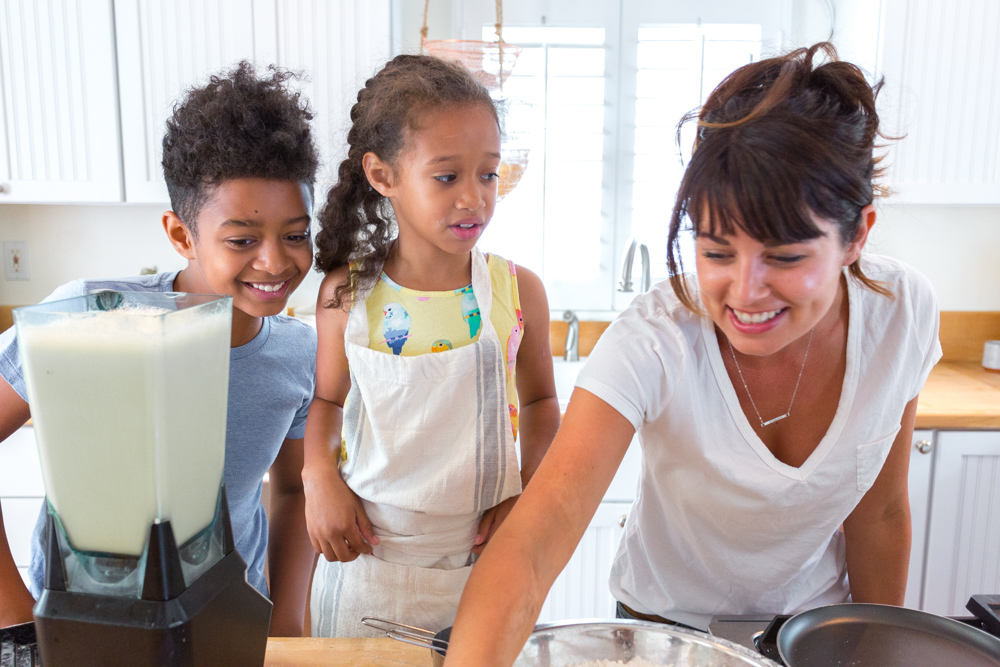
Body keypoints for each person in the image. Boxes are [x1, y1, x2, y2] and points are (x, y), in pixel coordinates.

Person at [442, 43, 943, 665]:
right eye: (716, 252)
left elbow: (881, 513)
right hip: (664, 634)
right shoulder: (655, 338)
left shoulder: (902, 312)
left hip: (814, 631)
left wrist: (873, 656)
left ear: (857, 236)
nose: (746, 292)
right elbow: (538, 537)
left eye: (785, 257)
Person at [0, 62, 319, 636]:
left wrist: (287, 621)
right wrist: (13, 613)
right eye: (243, 239)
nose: (275, 261)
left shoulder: (298, 356)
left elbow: (292, 490)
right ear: (181, 235)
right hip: (84, 621)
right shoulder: (83, 319)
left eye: (295, 234)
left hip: (228, 619)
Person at [303, 54, 560, 638]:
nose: (475, 198)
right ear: (383, 175)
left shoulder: (518, 292)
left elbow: (543, 404)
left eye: (488, 174)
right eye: (447, 177)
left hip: (486, 564)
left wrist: (529, 494)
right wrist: (319, 477)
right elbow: (325, 405)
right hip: (366, 565)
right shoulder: (347, 294)